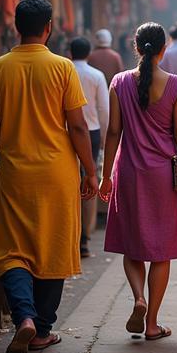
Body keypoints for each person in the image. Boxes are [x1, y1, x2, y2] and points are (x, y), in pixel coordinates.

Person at [0, 0, 98, 353]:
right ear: (48, 27)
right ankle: (42, 329)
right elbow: (77, 125)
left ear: (17, 26)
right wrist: (90, 170)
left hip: (16, 173)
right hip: (58, 173)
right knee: (53, 245)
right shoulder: (63, 68)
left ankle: (24, 317)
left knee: (12, 249)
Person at [100, 22, 177, 341]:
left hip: (128, 171)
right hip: (164, 176)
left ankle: (138, 298)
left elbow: (113, 132)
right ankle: (153, 322)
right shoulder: (176, 85)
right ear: (163, 49)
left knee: (133, 244)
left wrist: (104, 176)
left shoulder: (119, 82)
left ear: (136, 47)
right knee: (161, 249)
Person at [70, 36, 109, 258]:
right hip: (91, 133)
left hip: (65, 132)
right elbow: (104, 109)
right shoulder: (96, 75)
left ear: (70, 51)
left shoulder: (63, 70)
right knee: (89, 182)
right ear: (89, 53)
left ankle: (69, 236)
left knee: (69, 181)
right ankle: (84, 238)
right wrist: (104, 137)